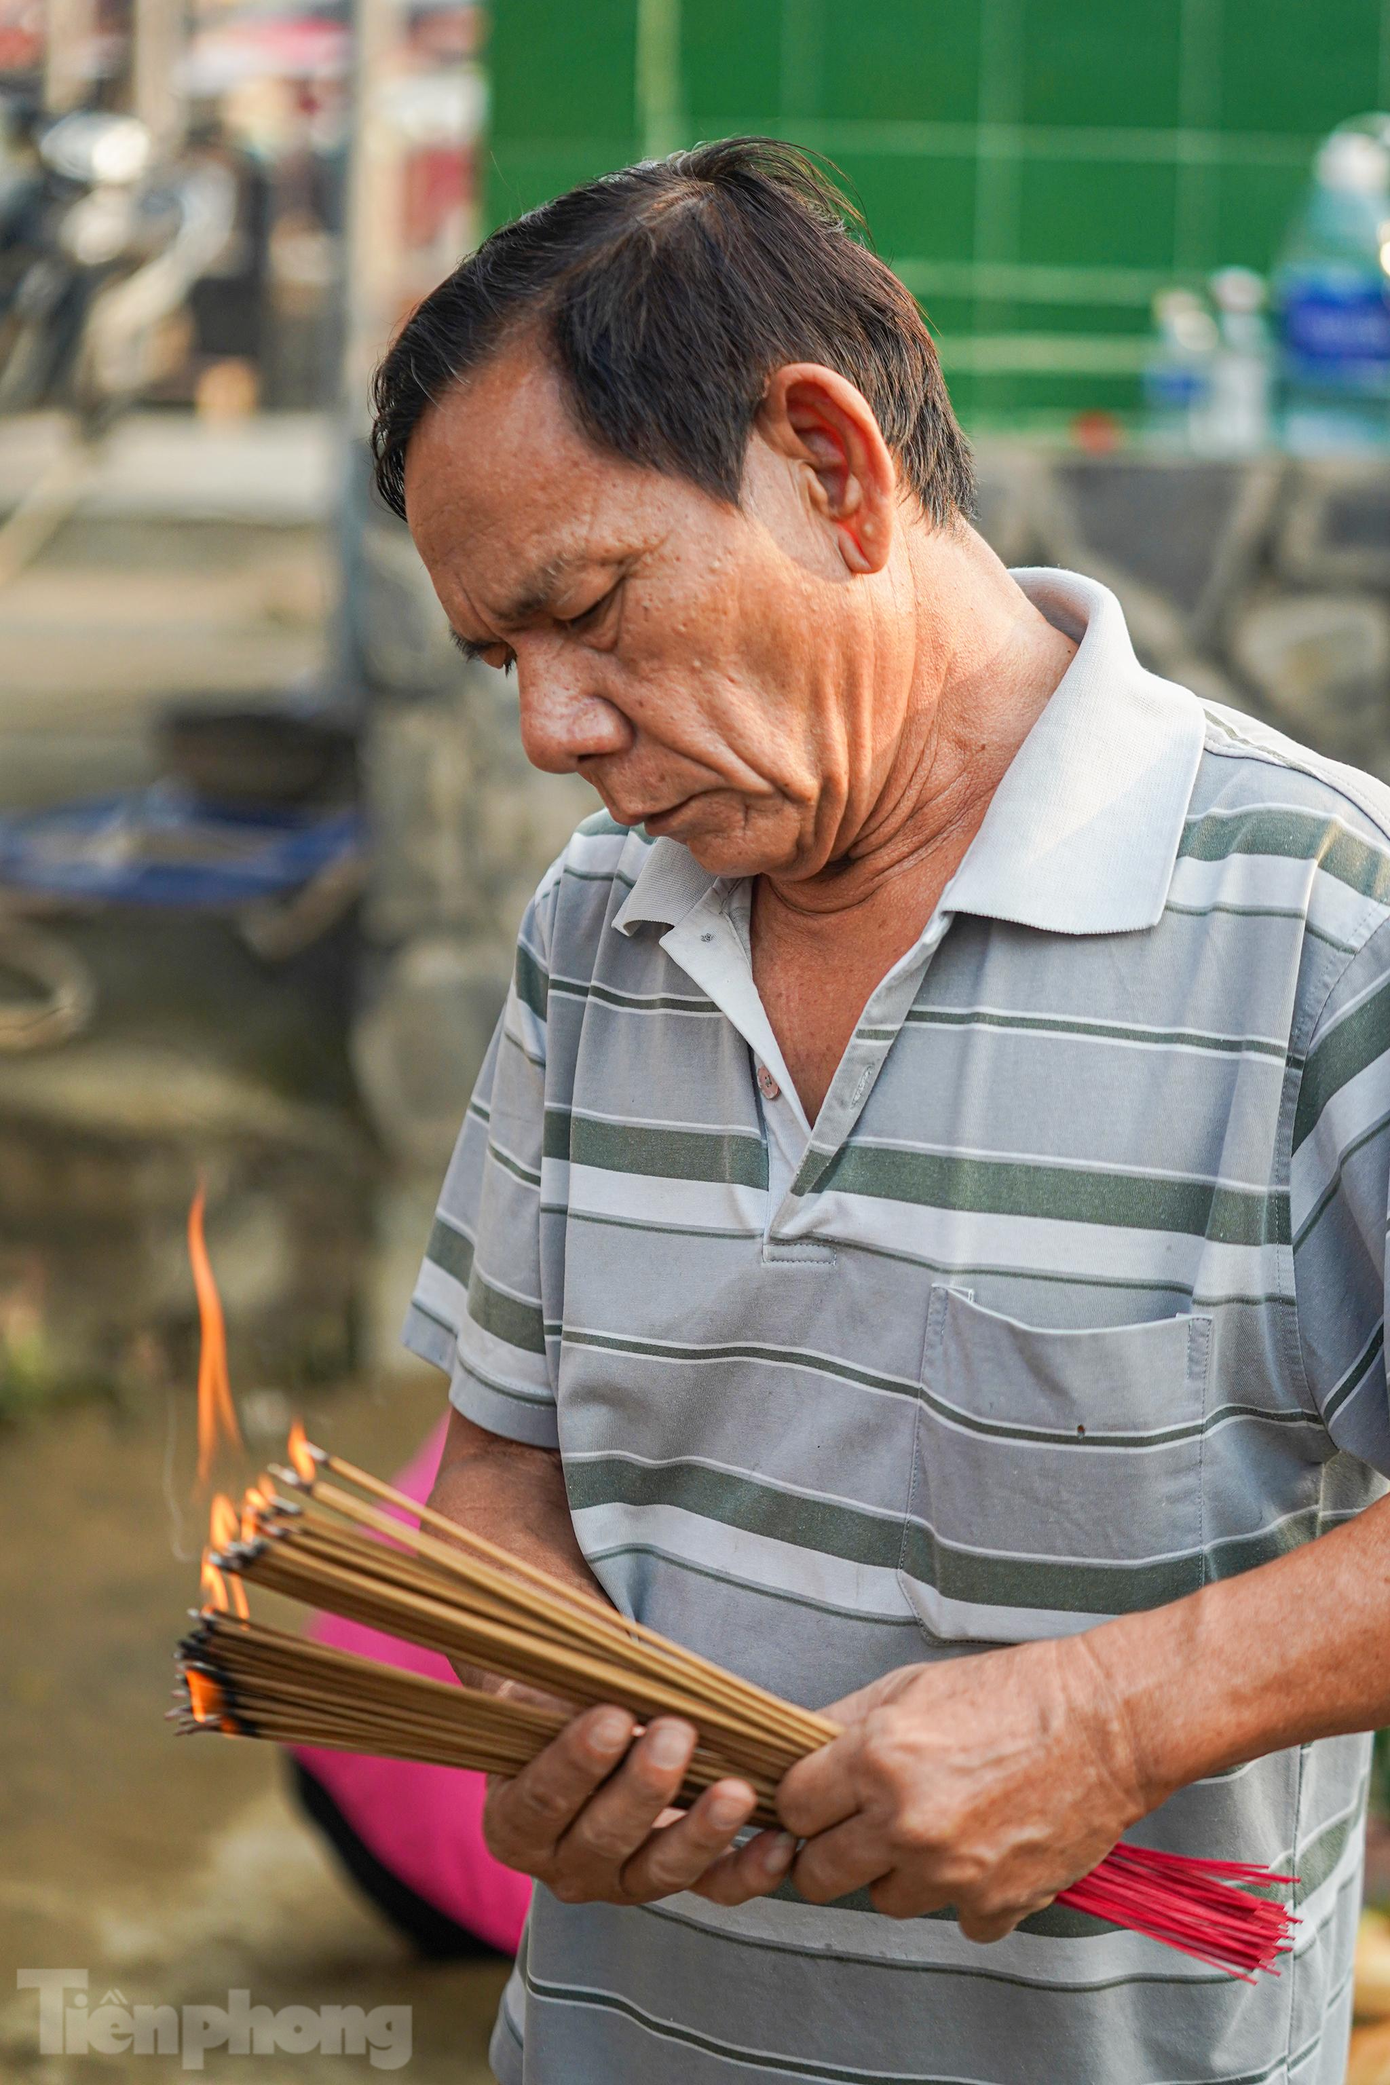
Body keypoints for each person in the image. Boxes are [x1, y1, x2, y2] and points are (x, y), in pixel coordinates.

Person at [371, 138, 1390, 2085]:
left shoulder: (1326, 930)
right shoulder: (594, 926)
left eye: (588, 607)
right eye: (502, 657)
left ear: (831, 469)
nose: (548, 728)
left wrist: (1117, 1716)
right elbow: (495, 1468)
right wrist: (531, 1697)